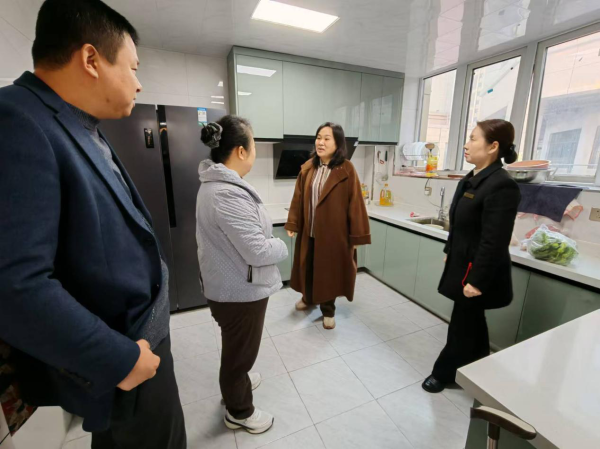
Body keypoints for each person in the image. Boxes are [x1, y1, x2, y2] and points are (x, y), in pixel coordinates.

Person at [0, 1, 186, 448]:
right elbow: (14, 284)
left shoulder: (79, 123)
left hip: (140, 343)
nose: (138, 83)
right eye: (133, 68)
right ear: (90, 59)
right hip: (124, 354)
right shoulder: (17, 119)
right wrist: (119, 359)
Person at [196, 116, 288, 434]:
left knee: (236, 346)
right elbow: (258, 251)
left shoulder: (220, 185)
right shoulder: (227, 194)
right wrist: (282, 244)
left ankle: (238, 382)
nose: (255, 153)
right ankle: (239, 411)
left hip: (231, 285)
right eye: (254, 146)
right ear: (240, 151)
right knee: (240, 354)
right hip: (238, 292)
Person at [422, 119, 521, 394]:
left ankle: (442, 373)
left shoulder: (502, 186)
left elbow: (494, 241)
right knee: (473, 321)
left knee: (462, 324)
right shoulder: (472, 178)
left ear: (493, 146)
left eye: (473, 139)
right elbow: (458, 224)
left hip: (477, 270)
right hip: (462, 261)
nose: (466, 145)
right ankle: (480, 368)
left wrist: (476, 280)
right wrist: (449, 252)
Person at [285, 123, 371, 330]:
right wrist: (293, 223)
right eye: (318, 137)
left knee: (328, 273)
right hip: (309, 232)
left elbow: (356, 204)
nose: (320, 142)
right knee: (307, 267)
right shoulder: (308, 167)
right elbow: (298, 198)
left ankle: (328, 310)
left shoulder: (347, 169)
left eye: (326, 138)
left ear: (338, 143)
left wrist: (357, 236)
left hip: (334, 235)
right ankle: (308, 298)